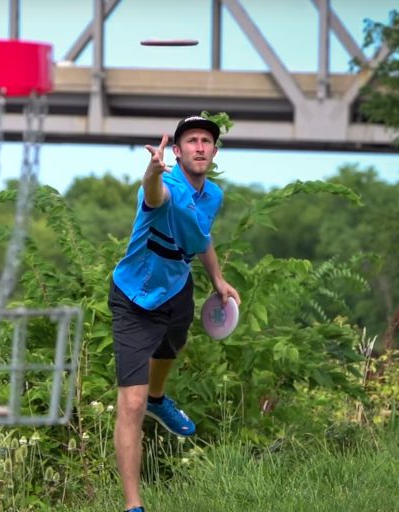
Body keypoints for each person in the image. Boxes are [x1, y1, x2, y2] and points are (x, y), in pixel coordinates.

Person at [108, 115, 241, 512]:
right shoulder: (166, 184)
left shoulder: (213, 195)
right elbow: (154, 195)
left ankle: (158, 397)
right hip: (134, 298)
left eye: (206, 141)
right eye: (191, 141)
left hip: (178, 291)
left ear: (214, 152)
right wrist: (152, 172)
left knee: (171, 348)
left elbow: (201, 237)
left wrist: (217, 278)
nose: (199, 146)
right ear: (178, 151)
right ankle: (134, 506)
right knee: (129, 404)